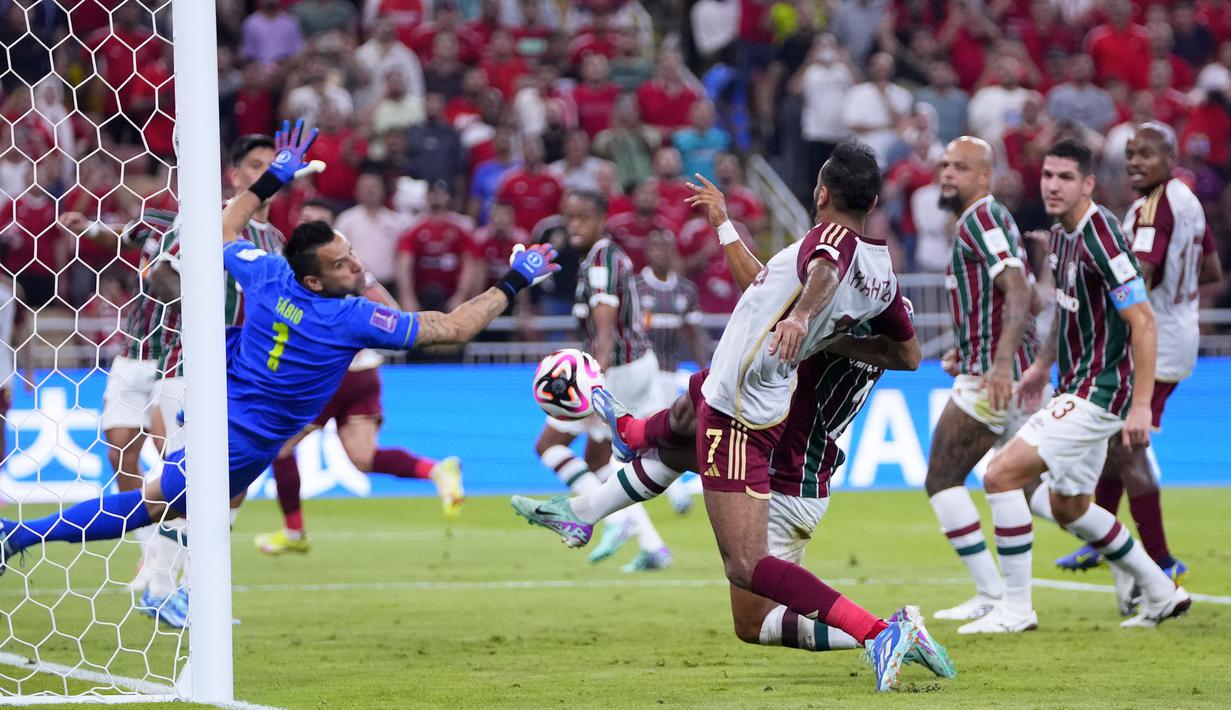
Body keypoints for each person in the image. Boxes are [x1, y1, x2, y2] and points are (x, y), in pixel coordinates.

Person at [0, 120, 559, 598]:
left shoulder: (267, 272)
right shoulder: (351, 319)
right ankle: (61, 553)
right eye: (343, 265)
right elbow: (452, 328)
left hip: (207, 398)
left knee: (164, 501)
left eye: (351, 254)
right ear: (314, 278)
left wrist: (275, 177)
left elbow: (222, 227)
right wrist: (515, 281)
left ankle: (161, 583)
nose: (357, 268)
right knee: (153, 506)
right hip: (235, 441)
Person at [513, 145, 944, 692]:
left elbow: (822, 271)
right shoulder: (881, 274)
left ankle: (879, 631)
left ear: (822, 194)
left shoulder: (831, 242)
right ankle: (596, 487)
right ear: (876, 201)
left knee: (746, 569)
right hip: (736, 395)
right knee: (677, 428)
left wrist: (807, 321)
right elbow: (782, 294)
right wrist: (726, 228)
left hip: (743, 409)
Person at [960, 139, 1191, 634]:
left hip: (1100, 392)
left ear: (1088, 183)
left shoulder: (1102, 235)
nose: (1052, 185)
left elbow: (1143, 321)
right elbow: (1068, 315)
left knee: (1000, 475)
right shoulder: (1062, 236)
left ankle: (1016, 609)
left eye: (1065, 177)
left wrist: (1141, 406)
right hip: (1074, 384)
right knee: (1068, 507)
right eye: (1047, 175)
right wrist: (1042, 366)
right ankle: (1160, 591)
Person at [1054, 123, 1223, 589]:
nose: (1134, 162)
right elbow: (1210, 268)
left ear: (1170, 157)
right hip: (1176, 330)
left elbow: (1140, 276)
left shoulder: (1153, 207)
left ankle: (1162, 560)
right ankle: (1102, 534)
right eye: (1130, 154)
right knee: (1116, 441)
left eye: (1146, 154)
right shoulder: (1185, 199)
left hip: (1155, 340)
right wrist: (1180, 299)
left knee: (1129, 444)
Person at [256, 200, 464, 556]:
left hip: (334, 376)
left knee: (280, 447)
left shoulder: (336, 274)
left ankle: (294, 532)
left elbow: (390, 314)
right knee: (363, 458)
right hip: (364, 374)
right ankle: (437, 471)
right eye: (306, 220)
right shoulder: (323, 268)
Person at [922, 137, 1042, 622]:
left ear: (984, 178)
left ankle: (999, 597)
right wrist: (969, 348)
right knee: (1049, 497)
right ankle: (1145, 577)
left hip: (996, 378)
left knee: (943, 479)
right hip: (1005, 368)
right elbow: (1015, 297)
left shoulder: (981, 218)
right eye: (945, 165)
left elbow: (1017, 289)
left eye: (960, 166)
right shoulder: (981, 221)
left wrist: (996, 362)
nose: (947, 173)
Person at [528, 190, 672, 572]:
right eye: (569, 218)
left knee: (549, 445)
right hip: (633, 366)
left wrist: (595, 380)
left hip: (618, 369)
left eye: (583, 217)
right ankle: (653, 546)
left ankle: (615, 518)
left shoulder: (601, 260)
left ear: (602, 219)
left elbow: (605, 329)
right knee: (597, 460)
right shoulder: (603, 257)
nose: (574, 225)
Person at [395, 181, 474, 313]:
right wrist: (408, 298)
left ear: (448, 196)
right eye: (432, 193)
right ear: (426, 197)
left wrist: (461, 296)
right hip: (421, 295)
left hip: (451, 295)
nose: (436, 197)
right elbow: (404, 264)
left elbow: (469, 263)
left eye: (440, 193)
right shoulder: (413, 228)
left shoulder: (461, 227)